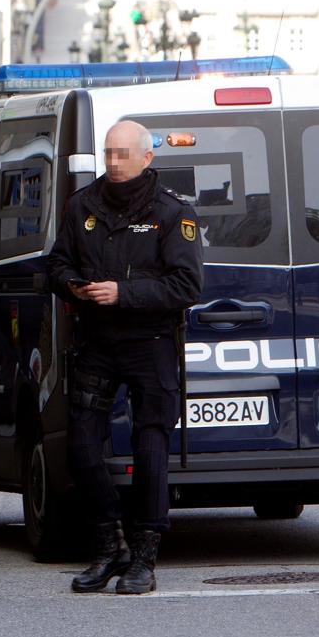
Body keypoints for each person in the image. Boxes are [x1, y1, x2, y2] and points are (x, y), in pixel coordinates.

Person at [47, 120, 204, 595]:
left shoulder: (172, 213)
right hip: (96, 341)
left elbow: (187, 285)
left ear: (146, 158)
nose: (114, 162)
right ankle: (108, 544)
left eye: (123, 154)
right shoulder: (83, 205)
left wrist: (123, 293)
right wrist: (73, 285)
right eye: (109, 153)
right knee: (80, 446)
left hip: (150, 342)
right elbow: (56, 263)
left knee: (150, 449)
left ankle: (144, 558)